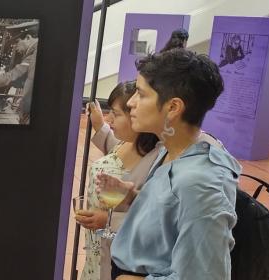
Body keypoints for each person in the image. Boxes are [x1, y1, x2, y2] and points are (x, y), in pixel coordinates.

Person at [97, 49, 241, 280]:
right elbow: (173, 215)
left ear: (173, 107)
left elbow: (206, 275)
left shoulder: (200, 182)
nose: (132, 103)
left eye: (142, 95)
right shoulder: (171, 150)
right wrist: (134, 196)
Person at [74, 81, 159, 280]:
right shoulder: (125, 143)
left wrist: (108, 220)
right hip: (97, 251)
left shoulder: (156, 160)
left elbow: (155, 219)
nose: (109, 118)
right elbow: (114, 150)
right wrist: (100, 126)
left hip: (119, 258)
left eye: (117, 113)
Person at [0, 21, 39, 124]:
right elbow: (20, 80)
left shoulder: (35, 54)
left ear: (27, 38)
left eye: (17, 42)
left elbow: (12, 76)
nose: (15, 47)